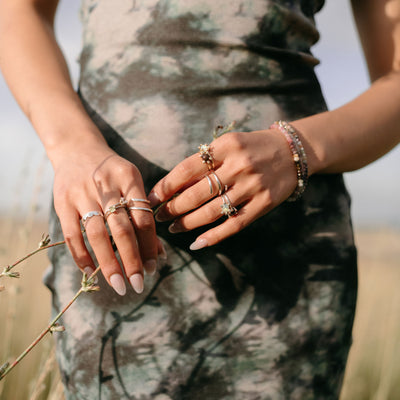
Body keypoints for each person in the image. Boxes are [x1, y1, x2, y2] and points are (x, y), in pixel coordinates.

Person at [0, 0, 399, 398]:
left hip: (288, 267)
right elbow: (18, 12)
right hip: (115, 245)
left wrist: (297, 149)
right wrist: (72, 145)